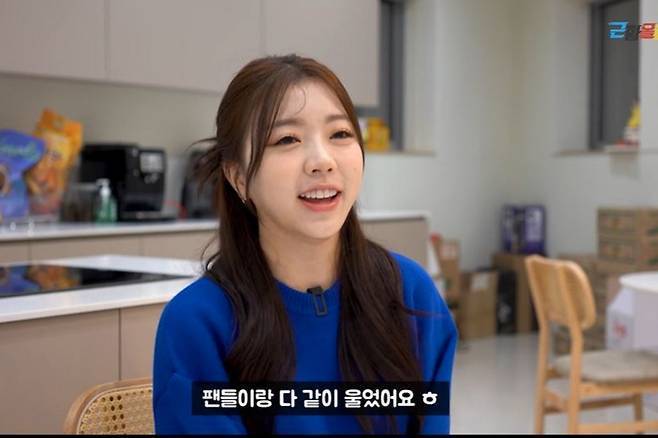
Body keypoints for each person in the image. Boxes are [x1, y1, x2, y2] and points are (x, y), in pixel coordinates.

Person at [153, 54, 458, 435]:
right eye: (287, 139)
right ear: (238, 177)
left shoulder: (411, 294)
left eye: (340, 134)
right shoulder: (197, 323)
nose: (322, 161)